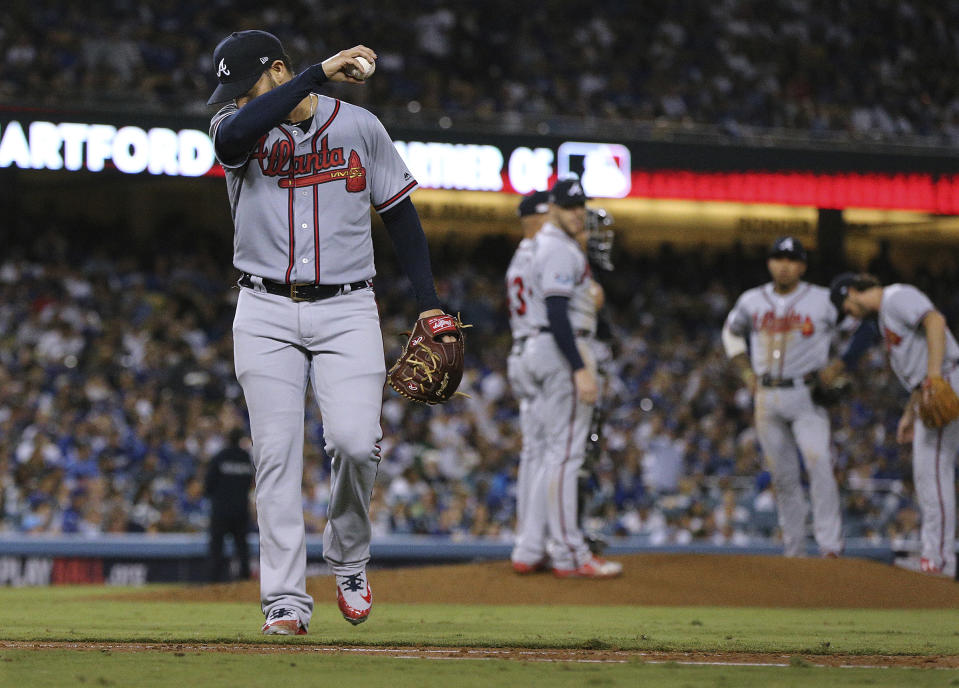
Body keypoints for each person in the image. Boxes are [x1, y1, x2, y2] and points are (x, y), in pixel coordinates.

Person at [206, 30, 448, 633]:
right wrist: (316, 72)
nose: (233, 98)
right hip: (263, 308)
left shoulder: (360, 126)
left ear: (276, 68)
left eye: (244, 84)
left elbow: (400, 213)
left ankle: (348, 558)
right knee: (277, 457)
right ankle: (284, 601)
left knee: (353, 442)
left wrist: (428, 303)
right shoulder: (232, 125)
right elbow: (237, 134)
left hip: (347, 306)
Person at [513, 178, 622, 578]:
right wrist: (579, 367)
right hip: (561, 349)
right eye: (570, 206)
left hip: (533, 349)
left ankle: (538, 546)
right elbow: (558, 312)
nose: (578, 212)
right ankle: (569, 551)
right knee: (565, 455)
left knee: (546, 454)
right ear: (553, 208)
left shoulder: (534, 248)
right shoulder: (559, 248)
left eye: (581, 206)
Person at [830, 273, 959, 577]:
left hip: (948, 378)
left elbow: (935, 321)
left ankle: (938, 560)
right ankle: (936, 556)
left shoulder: (896, 295)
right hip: (935, 383)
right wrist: (910, 413)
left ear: (851, 292)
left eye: (846, 308)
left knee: (933, 472)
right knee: (929, 472)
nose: (849, 314)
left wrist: (934, 378)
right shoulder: (886, 315)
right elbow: (919, 365)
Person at [722, 237, 843, 558]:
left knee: (819, 464)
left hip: (807, 395)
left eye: (792, 259)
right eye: (778, 258)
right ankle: (795, 549)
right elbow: (731, 332)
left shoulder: (823, 300)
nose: (784, 265)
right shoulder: (751, 300)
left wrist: (840, 364)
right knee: (784, 477)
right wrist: (746, 373)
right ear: (769, 263)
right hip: (766, 395)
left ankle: (830, 546)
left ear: (802, 266)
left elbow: (857, 324)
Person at [505, 190, 550, 573]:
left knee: (534, 453)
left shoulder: (520, 256)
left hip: (520, 351)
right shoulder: (543, 252)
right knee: (551, 454)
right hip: (541, 348)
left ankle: (527, 540)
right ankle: (537, 544)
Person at [204, 428, 254, 582]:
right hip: (240, 510)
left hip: (221, 511)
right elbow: (249, 483)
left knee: (216, 548)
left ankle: (214, 582)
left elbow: (208, 485)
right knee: (242, 547)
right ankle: (245, 580)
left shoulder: (220, 457)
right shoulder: (245, 458)